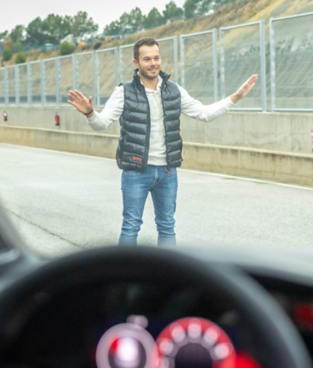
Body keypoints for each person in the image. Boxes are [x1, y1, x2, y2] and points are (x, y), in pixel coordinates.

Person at [68, 37, 257, 246]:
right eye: (147, 59)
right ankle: (125, 268)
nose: (153, 63)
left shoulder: (174, 90)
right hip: (136, 171)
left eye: (156, 58)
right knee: (131, 226)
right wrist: (90, 113)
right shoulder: (124, 92)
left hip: (167, 172)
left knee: (167, 226)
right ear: (136, 62)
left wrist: (235, 97)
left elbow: (204, 113)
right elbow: (101, 123)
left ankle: (167, 269)